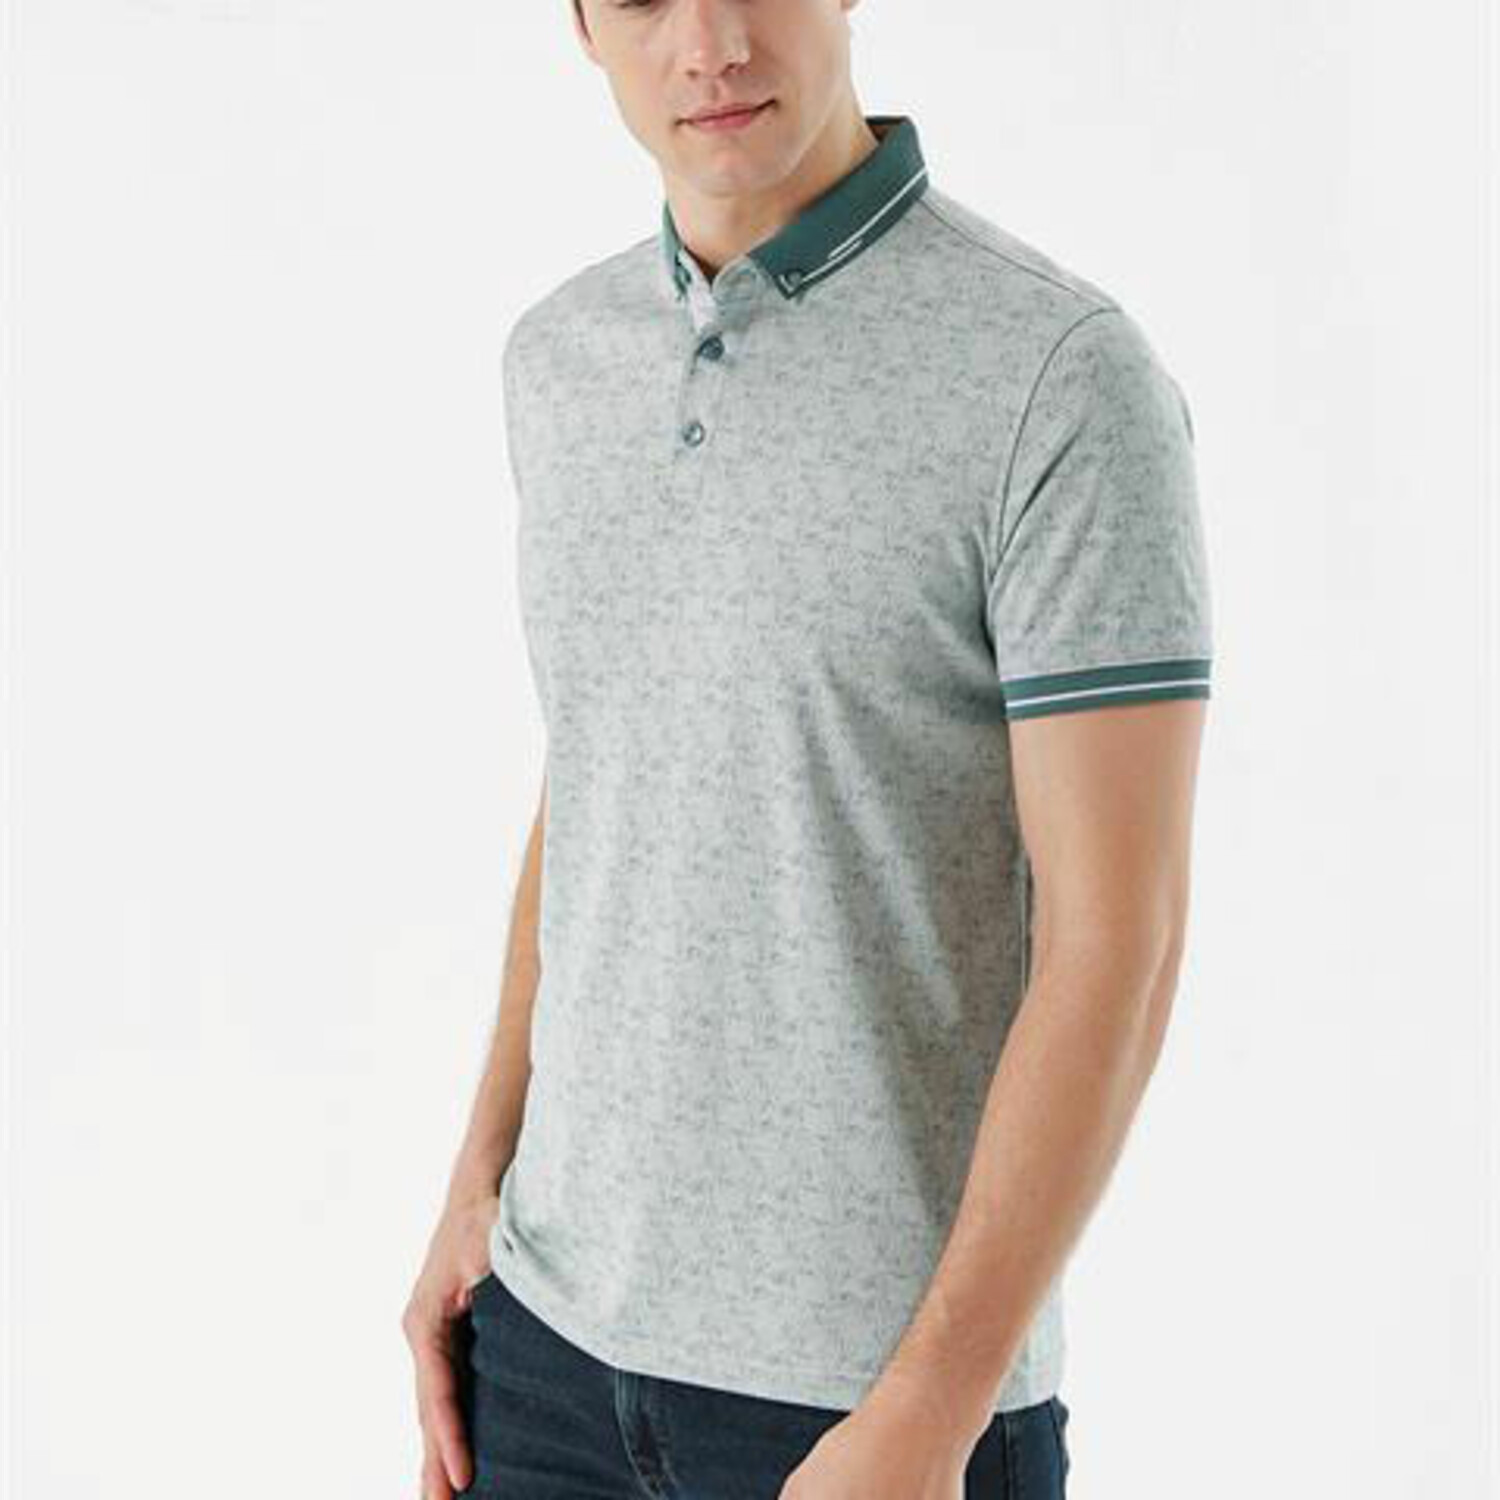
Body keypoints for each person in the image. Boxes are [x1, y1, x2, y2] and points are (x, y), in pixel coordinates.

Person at [402, 2, 1214, 1495]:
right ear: (579, 22)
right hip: (543, 1358)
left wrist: (930, 1411)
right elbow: (601, 775)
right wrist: (476, 1180)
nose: (709, 42)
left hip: (866, 1410)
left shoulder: (1056, 375)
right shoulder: (559, 358)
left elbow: (1122, 944)